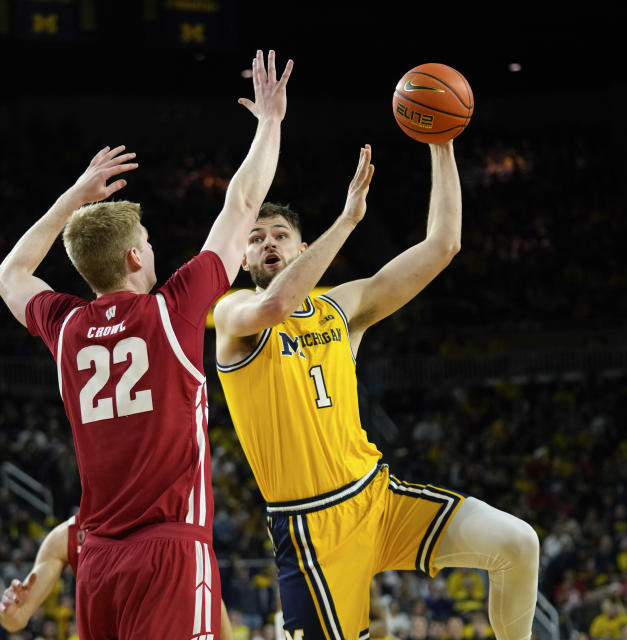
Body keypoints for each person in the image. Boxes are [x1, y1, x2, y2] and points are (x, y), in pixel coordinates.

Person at [0, 49, 292, 639]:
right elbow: (242, 204)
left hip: (97, 562)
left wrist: (73, 198)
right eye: (149, 241)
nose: (154, 248)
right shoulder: (173, 309)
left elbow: (10, 273)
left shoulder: (67, 326)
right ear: (135, 256)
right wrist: (270, 123)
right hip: (169, 554)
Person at [213, 141, 540, 640]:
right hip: (311, 531)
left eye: (280, 234)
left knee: (517, 543)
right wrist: (346, 221)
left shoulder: (341, 309)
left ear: (303, 250)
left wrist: (444, 144)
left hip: (378, 498)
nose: (268, 242)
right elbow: (275, 305)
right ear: (242, 258)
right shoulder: (233, 314)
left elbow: (443, 245)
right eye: (255, 238)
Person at [0, 516, 235, 639]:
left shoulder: (161, 522)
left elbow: (205, 590)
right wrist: (8, 610)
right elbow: (16, 620)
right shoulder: (66, 537)